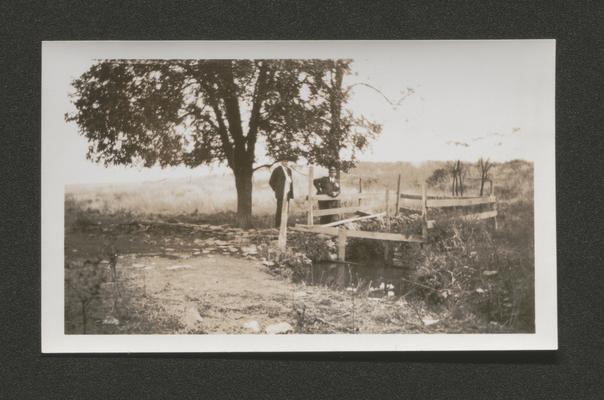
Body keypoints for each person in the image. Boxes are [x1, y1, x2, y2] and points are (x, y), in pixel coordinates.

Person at [269, 160, 294, 228]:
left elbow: (290, 181)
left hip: (288, 192)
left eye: (287, 161)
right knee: (280, 209)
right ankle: (277, 225)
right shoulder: (277, 170)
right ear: (281, 162)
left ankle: (284, 225)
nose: (286, 163)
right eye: (284, 161)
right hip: (280, 193)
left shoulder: (289, 170)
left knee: (286, 209)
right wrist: (277, 189)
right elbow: (271, 181)